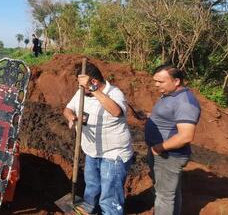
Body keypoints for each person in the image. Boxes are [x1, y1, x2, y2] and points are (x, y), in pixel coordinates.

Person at [62, 62, 133, 215]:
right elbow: (68, 109)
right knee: (92, 188)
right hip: (91, 152)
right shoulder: (82, 92)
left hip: (113, 155)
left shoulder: (114, 93)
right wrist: (71, 117)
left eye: (84, 84)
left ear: (93, 82)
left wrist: (93, 89)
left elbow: (116, 112)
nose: (81, 88)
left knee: (109, 197)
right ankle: (89, 211)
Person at [145, 64, 200, 215]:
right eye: (155, 81)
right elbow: (170, 117)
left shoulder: (185, 102)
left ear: (176, 81)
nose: (156, 85)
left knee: (164, 197)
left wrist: (158, 148)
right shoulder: (170, 94)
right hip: (162, 153)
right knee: (172, 193)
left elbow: (185, 136)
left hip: (169, 156)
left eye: (160, 82)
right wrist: (151, 117)